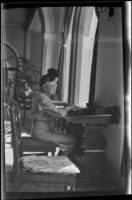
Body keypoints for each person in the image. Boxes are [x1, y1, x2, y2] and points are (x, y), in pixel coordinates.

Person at [30, 73, 76, 156]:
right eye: (52, 86)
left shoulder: (40, 95)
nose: (55, 88)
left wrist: (62, 104)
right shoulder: (44, 98)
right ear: (44, 87)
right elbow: (59, 113)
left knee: (66, 137)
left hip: (38, 131)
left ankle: (59, 159)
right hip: (42, 133)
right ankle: (59, 162)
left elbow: (49, 107)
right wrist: (69, 107)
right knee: (71, 140)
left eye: (55, 86)